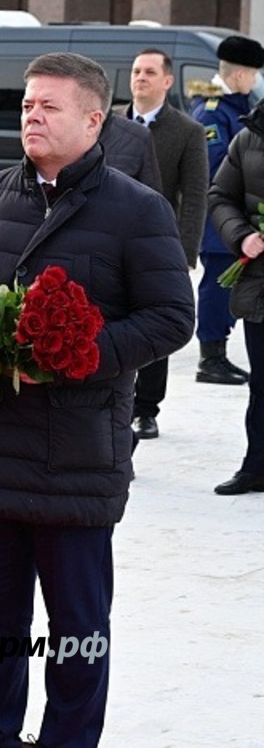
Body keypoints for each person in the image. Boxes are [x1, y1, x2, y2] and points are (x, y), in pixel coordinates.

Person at [0, 52, 192, 748]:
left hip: (76, 447)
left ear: (94, 120)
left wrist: (80, 356)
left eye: (50, 107)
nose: (32, 116)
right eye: (28, 105)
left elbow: (172, 317)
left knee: (74, 618)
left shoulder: (135, 209)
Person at [126, 48, 207, 440]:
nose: (140, 77)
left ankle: (146, 409)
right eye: (136, 71)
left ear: (167, 81)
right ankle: (115, 401)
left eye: (149, 72)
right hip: (109, 240)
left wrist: (186, 252)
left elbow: (195, 196)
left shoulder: (187, 131)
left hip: (159, 245)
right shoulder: (109, 124)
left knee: (153, 325)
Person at [189, 34, 264, 385]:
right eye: (253, 74)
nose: (255, 81)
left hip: (243, 226)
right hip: (222, 226)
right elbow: (215, 168)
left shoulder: (239, 106)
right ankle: (211, 357)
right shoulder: (213, 111)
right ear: (239, 75)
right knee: (217, 289)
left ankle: (219, 350)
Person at [207, 99, 264, 495]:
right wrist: (242, 235)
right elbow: (219, 195)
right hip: (260, 281)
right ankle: (256, 466)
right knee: (261, 383)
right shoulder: (248, 138)